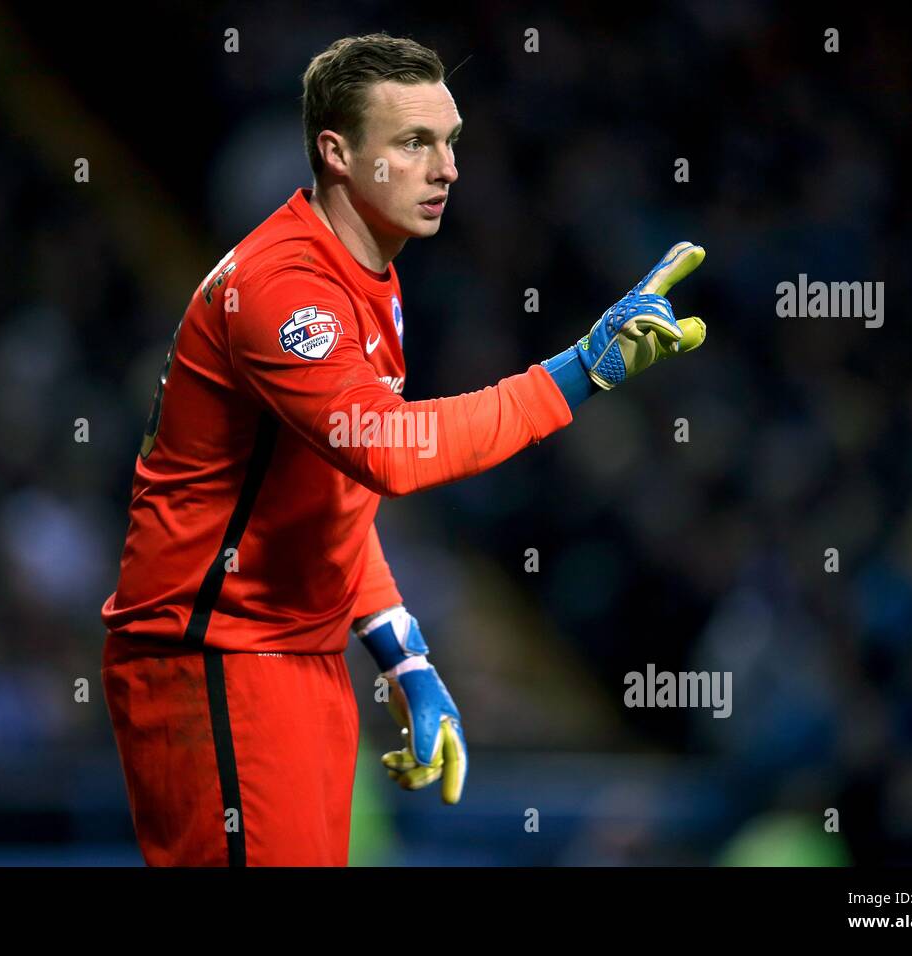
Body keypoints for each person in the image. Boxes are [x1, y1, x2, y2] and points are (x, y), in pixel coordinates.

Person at [100, 31, 707, 866]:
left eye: (450, 140)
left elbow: (329, 496)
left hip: (290, 651)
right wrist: (575, 375)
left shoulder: (367, 278)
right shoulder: (284, 290)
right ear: (337, 153)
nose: (448, 167)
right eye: (415, 142)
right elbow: (387, 451)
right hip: (211, 655)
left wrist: (402, 655)